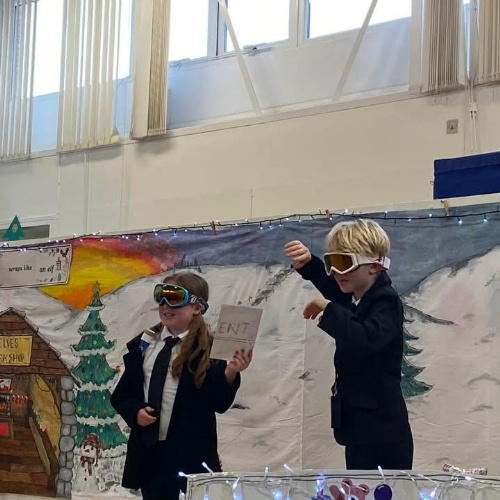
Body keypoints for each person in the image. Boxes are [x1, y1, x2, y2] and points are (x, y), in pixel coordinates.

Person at [284, 218, 413, 470]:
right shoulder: (356, 296)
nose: (335, 272)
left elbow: (365, 338)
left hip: (384, 434)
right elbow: (332, 287)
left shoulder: (385, 301)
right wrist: (309, 264)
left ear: (374, 265)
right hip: (359, 428)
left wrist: (328, 308)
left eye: (344, 263)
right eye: (331, 263)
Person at [111, 271, 252, 499]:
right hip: (150, 454)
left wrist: (230, 372)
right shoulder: (143, 345)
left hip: (190, 454)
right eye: (161, 297)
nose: (165, 306)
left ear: (197, 307)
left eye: (175, 298)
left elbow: (218, 402)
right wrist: (135, 411)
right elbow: (123, 395)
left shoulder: (209, 348)